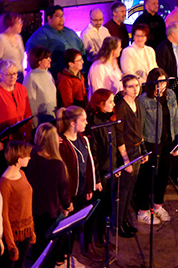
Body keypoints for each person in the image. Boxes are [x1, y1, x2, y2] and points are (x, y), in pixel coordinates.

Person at [136, 68, 178, 225]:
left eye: (164, 82)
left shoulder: (170, 95)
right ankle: (142, 210)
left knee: (163, 174)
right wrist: (142, 148)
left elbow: (175, 119)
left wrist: (177, 142)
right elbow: (139, 127)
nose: (161, 86)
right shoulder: (144, 100)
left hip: (167, 141)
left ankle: (158, 205)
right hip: (151, 142)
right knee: (147, 176)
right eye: (158, 82)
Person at [26, 123, 73, 267]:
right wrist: (68, 205)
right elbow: (63, 189)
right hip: (50, 211)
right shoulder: (56, 164)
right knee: (49, 247)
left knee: (37, 244)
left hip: (33, 208)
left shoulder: (31, 155)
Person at [57, 106, 98, 263]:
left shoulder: (82, 138)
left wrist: (89, 186)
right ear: (72, 123)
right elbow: (62, 176)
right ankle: (60, 258)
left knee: (74, 226)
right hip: (70, 195)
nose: (87, 123)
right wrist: (66, 200)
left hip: (81, 191)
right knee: (65, 228)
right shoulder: (62, 144)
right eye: (83, 120)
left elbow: (87, 164)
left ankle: (68, 254)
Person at [114, 74, 145, 237]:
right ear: (124, 89)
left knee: (131, 188)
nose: (135, 89)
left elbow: (139, 129)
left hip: (136, 149)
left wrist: (143, 149)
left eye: (137, 86)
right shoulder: (121, 107)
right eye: (131, 86)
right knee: (123, 190)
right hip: (126, 152)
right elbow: (119, 136)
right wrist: (126, 160)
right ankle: (118, 224)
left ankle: (124, 220)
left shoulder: (136, 102)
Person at [86, 89, 119, 242]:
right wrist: (97, 179)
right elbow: (94, 154)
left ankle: (103, 237)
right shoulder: (94, 123)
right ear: (100, 104)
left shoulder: (109, 119)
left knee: (107, 206)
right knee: (98, 209)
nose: (113, 104)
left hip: (110, 169)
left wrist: (116, 167)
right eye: (110, 101)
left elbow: (113, 146)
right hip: (101, 174)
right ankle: (95, 239)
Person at [0, 141, 36, 268]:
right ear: (19, 158)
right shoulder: (5, 183)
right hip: (14, 235)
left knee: (22, 264)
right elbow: (4, 215)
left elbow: (27, 204)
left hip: (25, 231)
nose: (30, 158)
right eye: (27, 155)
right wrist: (11, 245)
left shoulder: (22, 173)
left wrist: (31, 228)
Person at [26, 5, 86, 77]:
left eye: (62, 16)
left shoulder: (70, 32)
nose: (62, 19)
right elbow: (33, 58)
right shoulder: (40, 36)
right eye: (58, 16)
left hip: (77, 73)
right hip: (57, 76)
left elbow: (82, 49)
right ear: (49, 18)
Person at [0, 60, 33, 142]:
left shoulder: (22, 89)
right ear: (1, 75)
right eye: (8, 74)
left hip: (20, 136)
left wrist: (28, 133)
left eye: (15, 73)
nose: (12, 77)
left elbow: (27, 112)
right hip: (4, 138)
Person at [0, 12, 25, 85]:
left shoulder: (18, 37)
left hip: (19, 78)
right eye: (18, 23)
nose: (21, 25)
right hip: (6, 81)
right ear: (10, 25)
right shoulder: (0, 40)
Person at [23, 46, 57, 125]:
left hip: (52, 118)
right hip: (41, 123)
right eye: (47, 58)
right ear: (39, 61)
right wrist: (34, 124)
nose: (50, 60)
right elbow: (31, 104)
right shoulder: (31, 78)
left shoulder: (48, 74)